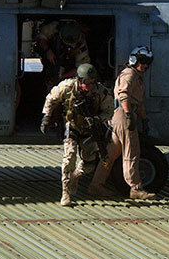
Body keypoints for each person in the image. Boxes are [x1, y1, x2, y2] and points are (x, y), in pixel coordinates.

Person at [40, 63, 114, 206]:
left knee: (89, 164)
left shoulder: (101, 92)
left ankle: (75, 176)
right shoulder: (67, 87)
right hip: (72, 126)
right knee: (69, 158)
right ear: (79, 80)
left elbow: (109, 111)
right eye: (86, 82)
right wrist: (46, 118)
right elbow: (51, 99)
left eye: (92, 82)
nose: (89, 86)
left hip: (90, 129)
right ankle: (65, 192)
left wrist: (96, 119)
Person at [90, 46, 156, 200]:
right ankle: (135, 188)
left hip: (124, 115)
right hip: (123, 116)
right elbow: (123, 96)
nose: (146, 66)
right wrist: (128, 116)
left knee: (111, 153)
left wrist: (143, 119)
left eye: (148, 62)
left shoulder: (135, 76)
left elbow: (138, 103)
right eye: (144, 62)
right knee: (132, 152)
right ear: (135, 60)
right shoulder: (129, 75)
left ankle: (96, 184)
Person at [36, 20, 90, 89]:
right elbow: (41, 37)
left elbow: (81, 68)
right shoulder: (54, 28)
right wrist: (48, 51)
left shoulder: (81, 45)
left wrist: (62, 77)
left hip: (68, 72)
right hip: (51, 61)